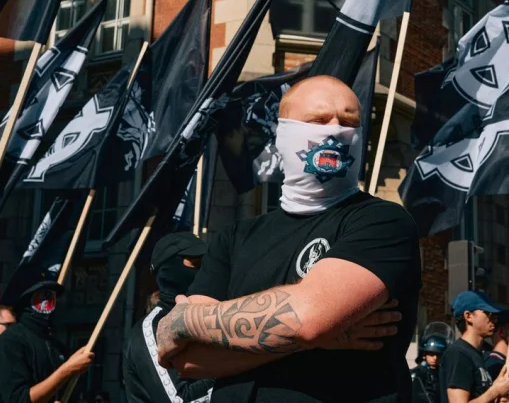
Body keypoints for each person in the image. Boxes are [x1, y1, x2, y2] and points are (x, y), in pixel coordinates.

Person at [156, 75, 421, 401]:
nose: (336, 129)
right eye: (318, 120)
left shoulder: (382, 221)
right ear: (283, 135)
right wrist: (314, 338)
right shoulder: (234, 237)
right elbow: (190, 359)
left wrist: (187, 320)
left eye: (349, 121)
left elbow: (309, 319)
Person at [123, 232, 213, 402]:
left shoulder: (206, 319)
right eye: (196, 263)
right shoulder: (152, 328)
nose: (204, 271)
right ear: (168, 269)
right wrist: (240, 369)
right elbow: (179, 399)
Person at [0, 281, 93, 403]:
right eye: (42, 297)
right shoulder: (10, 342)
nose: (48, 302)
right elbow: (18, 399)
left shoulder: (57, 347)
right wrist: (67, 369)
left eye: (52, 297)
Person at [439, 291, 509, 403]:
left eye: (495, 316)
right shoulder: (459, 353)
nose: (494, 319)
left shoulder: (478, 354)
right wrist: (494, 391)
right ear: (468, 316)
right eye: (489, 314)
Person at [412, 334, 448, 403]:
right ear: (424, 355)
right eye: (431, 354)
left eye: (438, 355)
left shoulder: (444, 373)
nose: (435, 358)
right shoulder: (417, 373)